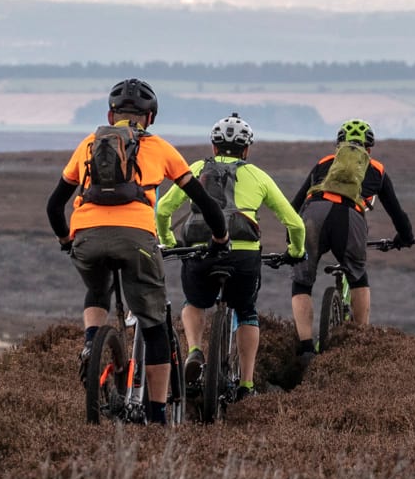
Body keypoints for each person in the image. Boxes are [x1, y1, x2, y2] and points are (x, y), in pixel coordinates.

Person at [46, 79, 229, 423]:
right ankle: (157, 414)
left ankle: (91, 344)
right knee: (154, 323)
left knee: (96, 288)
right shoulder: (160, 148)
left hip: (86, 235)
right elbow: (204, 202)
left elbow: (54, 206)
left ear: (110, 114)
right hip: (137, 239)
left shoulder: (87, 144)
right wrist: (220, 238)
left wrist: (66, 241)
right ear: (150, 118)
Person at [156, 114, 307, 402]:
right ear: (246, 150)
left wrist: (170, 242)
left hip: (201, 251)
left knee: (195, 303)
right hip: (243, 256)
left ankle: (195, 351)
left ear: (213, 147)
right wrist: (296, 252)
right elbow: (295, 224)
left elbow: (163, 210)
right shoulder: (258, 175)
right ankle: (246, 385)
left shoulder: (196, 168)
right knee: (247, 312)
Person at [289, 118, 415, 363]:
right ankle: (360, 342)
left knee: (302, 282)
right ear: (368, 149)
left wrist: (292, 237)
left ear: (338, 145)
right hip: (348, 216)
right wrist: (405, 238)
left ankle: (306, 349)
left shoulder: (324, 163)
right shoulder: (376, 169)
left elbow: (294, 205)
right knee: (358, 278)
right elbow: (397, 212)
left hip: (312, 215)